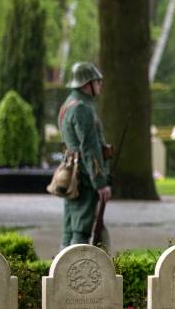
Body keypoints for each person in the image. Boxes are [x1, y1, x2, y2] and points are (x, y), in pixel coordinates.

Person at [58, 61, 111, 248]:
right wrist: (100, 182)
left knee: (70, 228)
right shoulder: (82, 108)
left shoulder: (69, 103)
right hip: (83, 176)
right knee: (81, 228)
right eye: (97, 81)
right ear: (86, 83)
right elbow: (90, 148)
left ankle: (58, 272)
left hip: (70, 171)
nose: (100, 85)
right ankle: (73, 273)